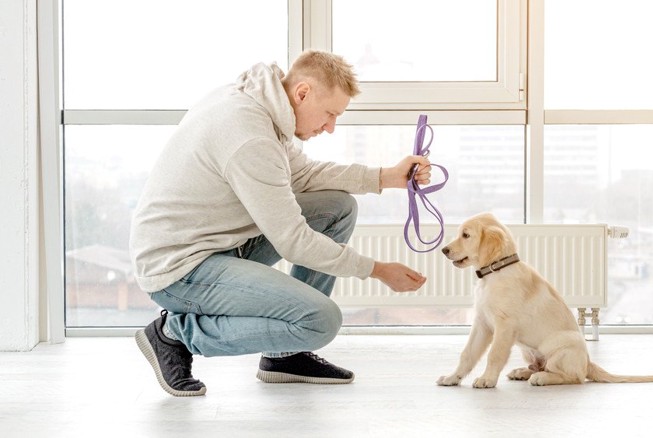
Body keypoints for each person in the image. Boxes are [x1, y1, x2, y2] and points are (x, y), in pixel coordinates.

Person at [129, 50, 431, 397]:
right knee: (321, 321)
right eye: (330, 114)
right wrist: (376, 270)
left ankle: (285, 357)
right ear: (302, 93)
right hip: (180, 270)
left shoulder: (261, 106)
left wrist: (386, 177)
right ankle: (176, 335)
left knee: (337, 207)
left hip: (221, 245)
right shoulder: (248, 134)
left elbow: (301, 174)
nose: (331, 127)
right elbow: (294, 241)